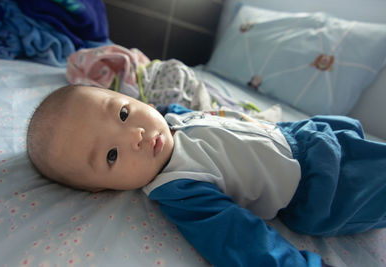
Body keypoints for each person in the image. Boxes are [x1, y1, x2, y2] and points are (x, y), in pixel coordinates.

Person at [27, 84, 386, 267]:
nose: (133, 135)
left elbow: (203, 117)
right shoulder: (179, 188)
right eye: (110, 155)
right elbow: (243, 243)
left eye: (122, 113)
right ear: (104, 189)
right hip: (325, 186)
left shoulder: (167, 121)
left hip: (302, 135)